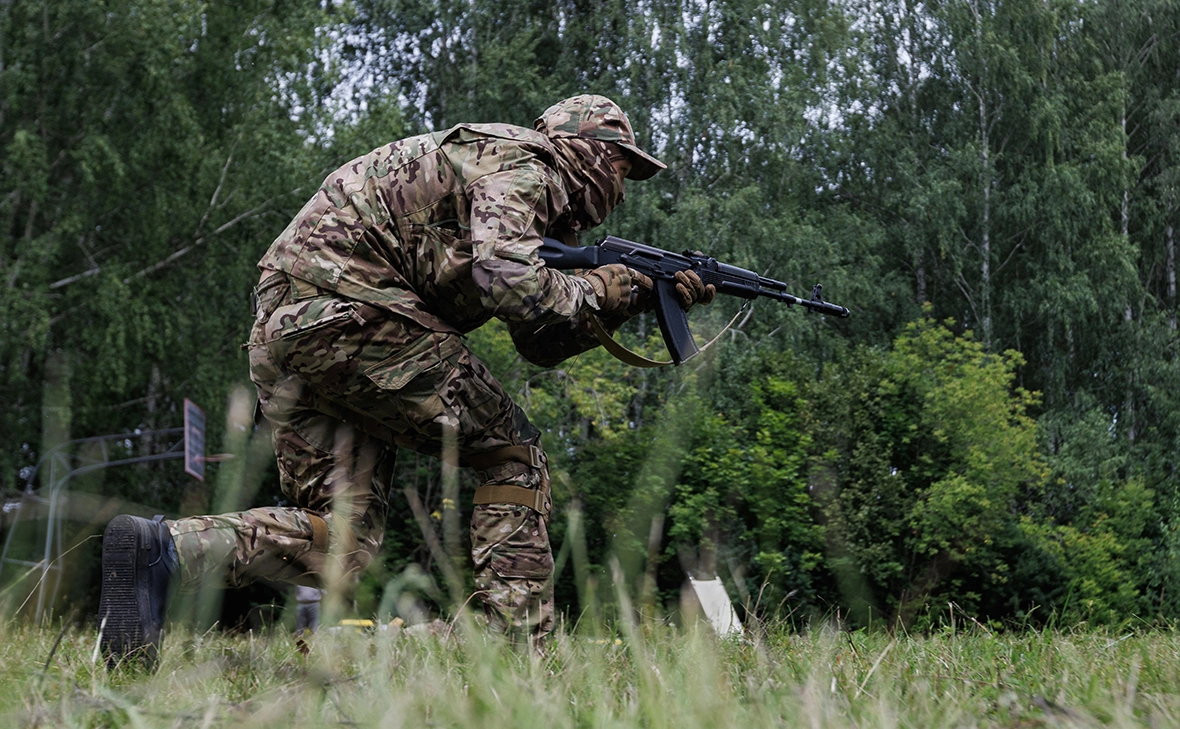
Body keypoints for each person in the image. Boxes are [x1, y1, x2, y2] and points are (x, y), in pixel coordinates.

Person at [97, 94, 715, 663]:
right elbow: (507, 278)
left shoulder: (518, 188)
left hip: (291, 324)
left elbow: (538, 342)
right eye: (619, 166)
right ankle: (516, 641)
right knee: (513, 454)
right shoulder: (530, 166)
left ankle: (164, 551)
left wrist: (624, 301)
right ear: (583, 148)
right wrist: (595, 289)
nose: (622, 189)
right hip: (352, 310)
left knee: (343, 540)